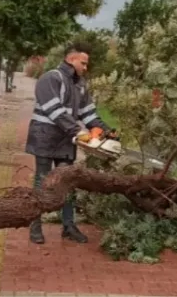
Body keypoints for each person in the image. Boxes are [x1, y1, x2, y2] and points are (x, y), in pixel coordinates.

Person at [25, 42, 115, 244]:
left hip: (65, 141)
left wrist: (106, 130)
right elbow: (54, 110)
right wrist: (78, 132)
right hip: (45, 138)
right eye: (83, 63)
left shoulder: (80, 85)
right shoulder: (50, 78)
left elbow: (88, 113)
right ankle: (35, 226)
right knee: (42, 181)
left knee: (68, 182)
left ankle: (68, 226)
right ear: (72, 59)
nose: (86, 67)